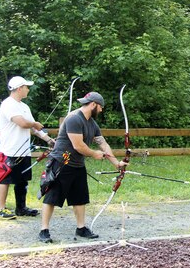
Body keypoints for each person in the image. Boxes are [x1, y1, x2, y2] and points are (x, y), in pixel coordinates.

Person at [38, 92, 127, 243]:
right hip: (62, 161)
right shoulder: (74, 118)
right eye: (100, 107)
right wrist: (93, 154)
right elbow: (78, 145)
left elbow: (102, 143)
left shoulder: (92, 123)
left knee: (79, 197)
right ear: (93, 104)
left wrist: (116, 163)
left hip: (78, 164)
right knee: (52, 197)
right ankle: (44, 230)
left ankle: (81, 228)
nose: (101, 110)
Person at [0, 76, 55, 219]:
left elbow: (35, 128)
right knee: (5, 179)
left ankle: (21, 208)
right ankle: (1, 209)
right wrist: (35, 124)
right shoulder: (8, 104)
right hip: (10, 150)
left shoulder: (24, 106)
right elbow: (22, 123)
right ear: (19, 88)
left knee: (22, 181)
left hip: (24, 151)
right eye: (26, 87)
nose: (28, 89)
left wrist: (48, 140)